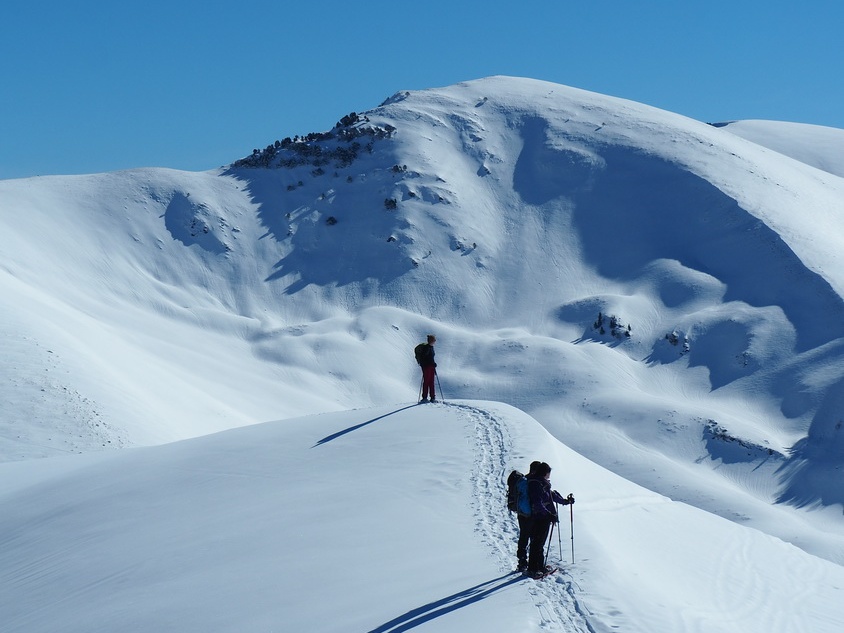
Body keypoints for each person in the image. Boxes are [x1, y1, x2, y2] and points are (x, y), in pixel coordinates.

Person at [526, 462, 574, 578]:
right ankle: (533, 569)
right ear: (545, 473)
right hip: (539, 518)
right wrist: (548, 514)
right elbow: (537, 502)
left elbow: (551, 496)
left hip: (541, 517)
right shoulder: (537, 484)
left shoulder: (540, 483)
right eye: (548, 473)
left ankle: (539, 566)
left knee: (539, 543)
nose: (549, 475)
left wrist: (566, 501)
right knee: (537, 543)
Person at [515, 461, 542, 572]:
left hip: (521, 514)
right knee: (534, 539)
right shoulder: (534, 482)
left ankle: (522, 562)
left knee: (523, 537)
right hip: (532, 515)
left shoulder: (522, 480)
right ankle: (534, 564)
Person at [416, 334, 437, 402]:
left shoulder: (431, 347)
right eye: (434, 340)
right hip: (427, 367)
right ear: (431, 341)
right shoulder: (427, 348)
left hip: (431, 367)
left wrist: (433, 364)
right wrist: (432, 363)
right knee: (427, 382)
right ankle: (425, 397)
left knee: (431, 382)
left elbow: (431, 358)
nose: (435, 341)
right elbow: (425, 358)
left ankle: (432, 397)